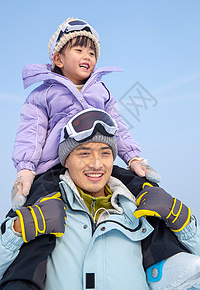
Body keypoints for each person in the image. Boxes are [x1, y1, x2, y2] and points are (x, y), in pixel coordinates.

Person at [1, 109, 200, 290]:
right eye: (84, 153)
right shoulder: (42, 205)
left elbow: (191, 270)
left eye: (105, 153)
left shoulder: (139, 206)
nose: (96, 164)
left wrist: (182, 220)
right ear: (66, 160)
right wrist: (17, 230)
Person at [11, 17, 161, 211]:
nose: (87, 56)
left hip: (96, 161)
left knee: (141, 186)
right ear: (59, 59)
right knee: (40, 202)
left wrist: (133, 158)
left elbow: (118, 128)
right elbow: (31, 132)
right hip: (56, 165)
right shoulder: (43, 94)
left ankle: (165, 217)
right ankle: (20, 233)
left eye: (92, 52)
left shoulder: (102, 91)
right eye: (79, 50)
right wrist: (26, 168)